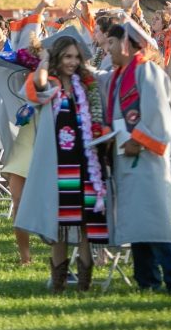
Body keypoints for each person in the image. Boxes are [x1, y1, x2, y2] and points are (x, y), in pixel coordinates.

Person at [14, 35, 109, 292]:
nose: (73, 62)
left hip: (86, 163)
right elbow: (39, 83)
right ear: (57, 57)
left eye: (76, 57)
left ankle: (85, 280)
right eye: (67, 56)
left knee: (86, 223)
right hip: (58, 164)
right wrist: (44, 59)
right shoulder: (51, 84)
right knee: (60, 224)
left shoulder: (87, 84)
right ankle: (59, 281)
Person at [104, 22, 171, 292]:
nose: (107, 49)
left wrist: (138, 141)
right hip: (126, 159)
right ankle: (147, 281)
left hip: (147, 160)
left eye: (110, 43)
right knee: (137, 223)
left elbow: (159, 119)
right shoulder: (118, 75)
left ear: (125, 44)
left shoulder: (147, 72)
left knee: (156, 223)